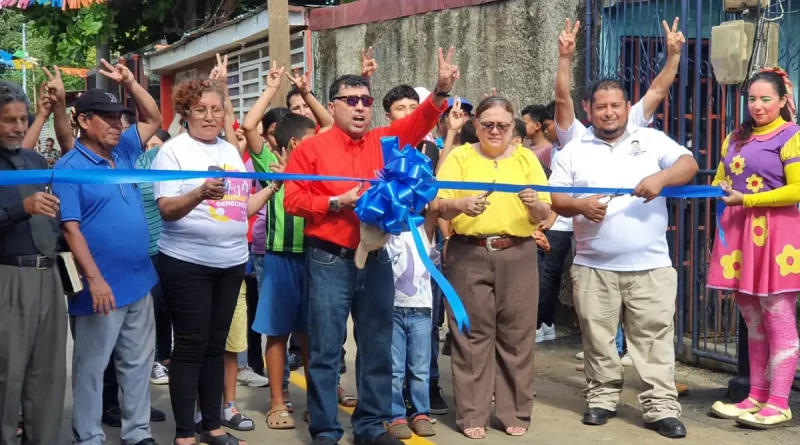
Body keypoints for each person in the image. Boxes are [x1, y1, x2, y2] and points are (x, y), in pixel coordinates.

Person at [283, 46, 459, 445]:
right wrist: (333, 202)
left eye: (365, 100)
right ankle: (326, 429)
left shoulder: (384, 140)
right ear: (332, 106)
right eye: (350, 101)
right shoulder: (311, 149)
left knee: (378, 348)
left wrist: (440, 91)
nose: (360, 108)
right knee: (327, 351)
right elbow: (292, 200)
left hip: (377, 260)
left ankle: (369, 427)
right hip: (329, 260)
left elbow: (418, 122)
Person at [548, 78, 698, 438]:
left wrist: (661, 177)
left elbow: (689, 164)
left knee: (654, 339)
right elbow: (555, 198)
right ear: (589, 109)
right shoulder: (572, 150)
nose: (609, 112)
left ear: (626, 106)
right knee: (597, 339)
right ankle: (601, 399)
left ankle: (660, 407)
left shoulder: (650, 139)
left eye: (615, 105)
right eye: (601, 106)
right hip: (593, 266)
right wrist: (580, 204)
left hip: (650, 265)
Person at [54, 59, 163, 445]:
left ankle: (138, 433)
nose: (118, 125)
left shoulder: (127, 150)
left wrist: (131, 83)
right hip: (100, 289)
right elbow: (71, 229)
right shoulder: (70, 168)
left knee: (137, 364)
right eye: (108, 118)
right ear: (83, 121)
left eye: (120, 118)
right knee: (91, 367)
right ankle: (88, 436)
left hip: (139, 280)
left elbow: (154, 116)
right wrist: (95, 280)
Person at [436, 96, 551, 439]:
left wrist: (534, 207)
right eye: (488, 124)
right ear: (477, 126)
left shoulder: (525, 158)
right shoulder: (460, 156)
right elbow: (438, 205)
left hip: (517, 252)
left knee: (517, 335)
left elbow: (544, 213)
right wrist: (460, 204)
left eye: (503, 125)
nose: (496, 131)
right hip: (468, 252)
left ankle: (514, 411)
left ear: (514, 127)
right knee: (471, 335)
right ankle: (472, 413)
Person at [153, 77, 250, 445]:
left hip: (231, 261)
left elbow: (238, 205)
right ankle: (184, 433)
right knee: (191, 344)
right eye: (200, 110)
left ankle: (212, 425)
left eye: (216, 109)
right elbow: (167, 210)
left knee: (215, 344)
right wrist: (199, 193)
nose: (209, 117)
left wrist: (271, 190)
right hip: (187, 262)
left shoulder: (229, 151)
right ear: (185, 113)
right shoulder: (173, 152)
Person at [707, 69, 800, 429]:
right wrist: (716, 189)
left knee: (778, 317)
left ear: (781, 101)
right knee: (752, 320)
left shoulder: (791, 136)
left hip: (778, 237)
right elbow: (721, 178)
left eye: (766, 99)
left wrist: (747, 199)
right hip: (740, 237)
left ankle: (780, 401)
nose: (758, 106)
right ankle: (756, 395)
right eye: (752, 99)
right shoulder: (734, 137)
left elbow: (796, 190)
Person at [0, 80, 66, 445]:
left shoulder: (35, 160)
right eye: (9, 120)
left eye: (23, 119)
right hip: (8, 277)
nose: (19, 128)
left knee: (48, 374)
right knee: (7, 376)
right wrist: (19, 209)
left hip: (48, 275)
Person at [382, 84, 449, 416]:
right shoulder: (384, 154)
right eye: (401, 108)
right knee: (393, 361)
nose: (409, 114)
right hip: (390, 294)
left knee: (423, 353)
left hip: (421, 292)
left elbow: (438, 197)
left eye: (414, 107)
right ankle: (393, 411)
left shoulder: (429, 150)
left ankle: (421, 408)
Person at [249, 112, 317, 429]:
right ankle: (277, 401)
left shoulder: (320, 171)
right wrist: (273, 87)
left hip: (316, 258)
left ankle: (318, 400)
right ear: (294, 143)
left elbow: (331, 124)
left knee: (312, 336)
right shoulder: (269, 166)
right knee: (277, 333)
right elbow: (249, 127)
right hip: (280, 258)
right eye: (311, 143)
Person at [138, 129, 173, 384]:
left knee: (167, 308)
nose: (151, 149)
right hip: (147, 249)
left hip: (171, 247)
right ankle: (156, 360)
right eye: (147, 144)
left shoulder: (173, 164)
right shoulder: (141, 166)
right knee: (154, 306)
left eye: (157, 144)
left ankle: (167, 356)